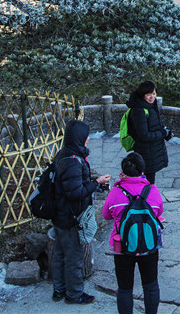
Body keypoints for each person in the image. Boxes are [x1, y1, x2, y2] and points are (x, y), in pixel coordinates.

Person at [52, 119, 112, 305]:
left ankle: (59, 289)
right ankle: (74, 294)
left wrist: (93, 182)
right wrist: (97, 183)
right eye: (85, 136)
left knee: (60, 253)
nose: (88, 139)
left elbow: (72, 185)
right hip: (71, 217)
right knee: (74, 257)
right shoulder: (72, 162)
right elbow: (75, 193)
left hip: (59, 213)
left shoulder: (65, 153)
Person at [102, 152, 164, 314]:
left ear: (123, 172)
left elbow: (106, 215)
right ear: (142, 171)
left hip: (122, 246)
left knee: (124, 288)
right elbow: (158, 212)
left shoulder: (115, 192)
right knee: (150, 286)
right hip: (149, 244)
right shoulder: (153, 191)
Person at [126, 80, 173, 184]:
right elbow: (144, 135)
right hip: (145, 152)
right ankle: (146, 199)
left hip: (152, 150)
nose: (152, 97)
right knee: (147, 181)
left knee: (149, 179)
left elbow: (155, 125)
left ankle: (147, 198)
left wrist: (166, 133)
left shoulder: (151, 105)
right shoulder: (139, 110)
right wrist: (162, 134)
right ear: (142, 95)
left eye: (154, 94)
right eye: (148, 94)